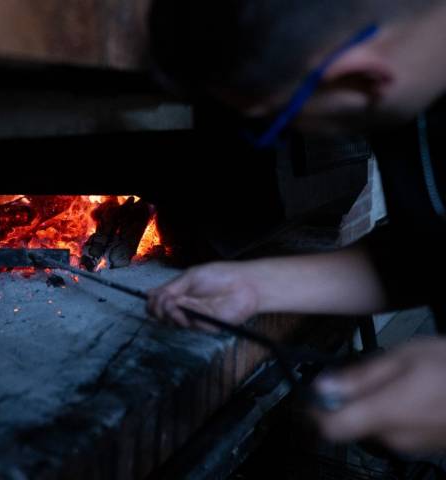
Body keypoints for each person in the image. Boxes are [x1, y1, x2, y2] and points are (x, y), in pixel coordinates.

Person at [147, 0, 446, 454]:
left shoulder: (387, 91)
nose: (277, 135)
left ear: (360, 77)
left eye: (272, 124)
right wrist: (257, 284)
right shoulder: (406, 95)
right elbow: (430, 252)